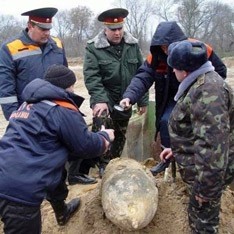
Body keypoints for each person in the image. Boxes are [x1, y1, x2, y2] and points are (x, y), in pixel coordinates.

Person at [0, 64, 115, 234]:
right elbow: (85, 146)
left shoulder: (27, 104)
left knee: (56, 170)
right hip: (21, 191)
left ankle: (62, 212)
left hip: (5, 170)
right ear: (69, 86)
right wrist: (105, 137)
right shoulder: (62, 109)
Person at [119, 21, 227, 177]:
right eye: (162, 47)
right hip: (170, 97)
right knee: (165, 122)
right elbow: (143, 77)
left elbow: (220, 71)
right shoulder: (156, 57)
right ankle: (167, 161)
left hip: (197, 95)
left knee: (195, 128)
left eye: (167, 46)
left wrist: (208, 91)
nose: (165, 50)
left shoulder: (198, 48)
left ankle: (192, 165)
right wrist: (129, 96)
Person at [159, 40, 234, 233]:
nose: (173, 73)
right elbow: (197, 131)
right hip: (204, 173)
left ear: (183, 70)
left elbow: (213, 146)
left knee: (203, 226)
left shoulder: (208, 92)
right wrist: (177, 149)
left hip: (208, 177)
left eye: (174, 69)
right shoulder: (201, 83)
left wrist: (205, 191)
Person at [79, 8, 148, 177]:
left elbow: (142, 74)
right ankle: (102, 166)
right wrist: (100, 100)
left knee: (120, 136)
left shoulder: (133, 45)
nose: (117, 33)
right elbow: (92, 77)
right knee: (102, 127)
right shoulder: (93, 48)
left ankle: (113, 163)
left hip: (126, 98)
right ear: (105, 29)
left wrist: (142, 100)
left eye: (120, 28)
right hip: (105, 97)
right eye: (113, 29)